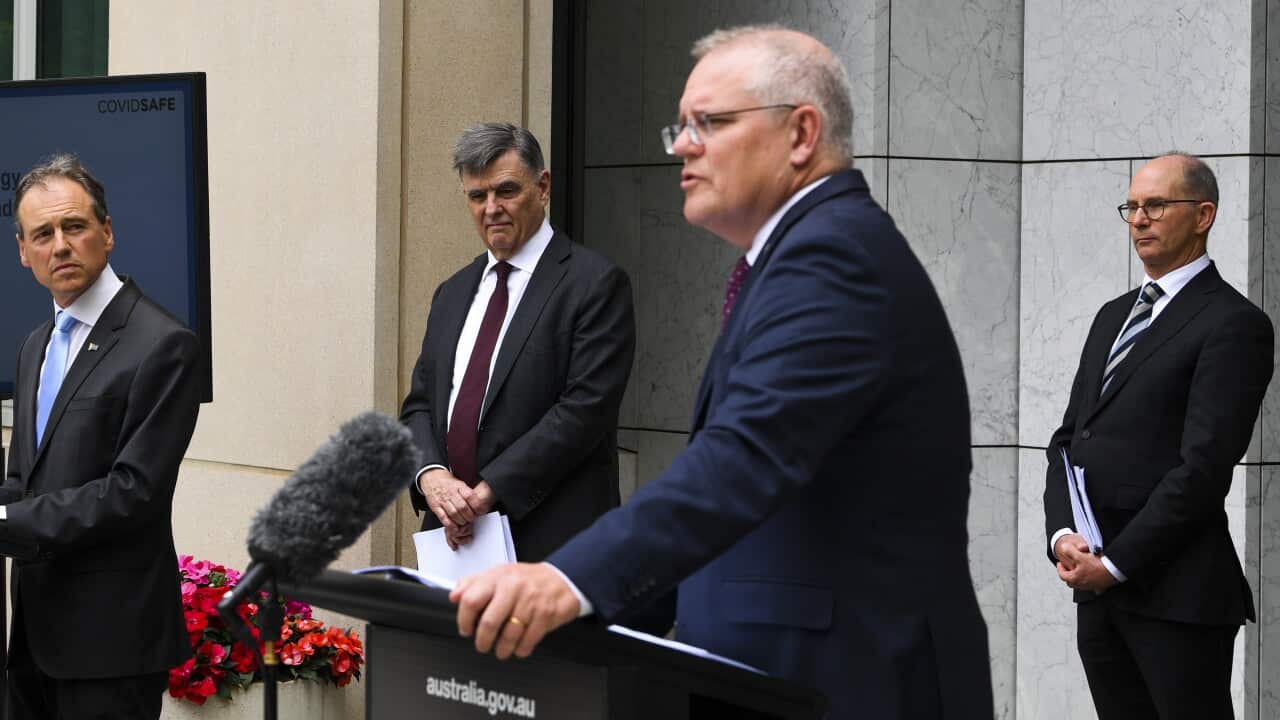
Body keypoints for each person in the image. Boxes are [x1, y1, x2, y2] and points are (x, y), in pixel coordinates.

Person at [449, 26, 994, 719]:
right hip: (775, 676)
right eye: (681, 124)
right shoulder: (794, 257)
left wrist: (567, 580)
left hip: (852, 682)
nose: (681, 144)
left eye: (710, 122)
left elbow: (743, 459)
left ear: (800, 134)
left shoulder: (836, 258)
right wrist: (593, 622)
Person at [1044, 153, 1273, 720]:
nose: (1139, 219)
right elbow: (1069, 440)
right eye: (1132, 207)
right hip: (1099, 598)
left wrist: (1117, 563)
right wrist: (1063, 535)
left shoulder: (1233, 323)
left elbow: (1203, 470)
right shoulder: (1112, 316)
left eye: (1156, 205)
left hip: (1178, 598)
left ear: (1203, 215)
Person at [1, 154, 201, 719]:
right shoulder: (34, 345)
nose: (60, 245)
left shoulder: (163, 344)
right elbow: (23, 481)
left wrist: (3, 523)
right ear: (23, 252)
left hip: (110, 649)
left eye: (75, 227)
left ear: (107, 233)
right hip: (33, 645)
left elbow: (132, 493)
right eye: (42, 234)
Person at [400, 123, 635, 563]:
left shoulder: (595, 284)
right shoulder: (452, 292)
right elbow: (419, 406)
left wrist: (488, 492)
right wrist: (431, 478)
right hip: (452, 545)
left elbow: (584, 410)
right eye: (477, 196)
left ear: (542, 187)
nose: (492, 208)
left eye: (506, 190)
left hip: (552, 547)